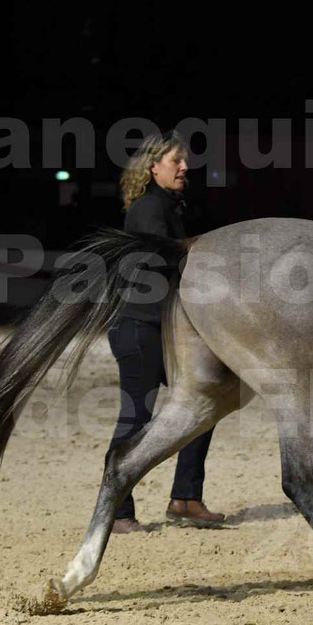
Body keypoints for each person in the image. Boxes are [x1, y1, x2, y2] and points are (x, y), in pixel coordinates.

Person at [107, 130, 225, 534]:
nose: (185, 167)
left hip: (164, 329)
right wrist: (202, 248)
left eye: (185, 161)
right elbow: (161, 258)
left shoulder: (169, 206)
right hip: (138, 329)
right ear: (153, 166)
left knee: (203, 407)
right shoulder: (147, 208)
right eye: (177, 161)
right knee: (135, 420)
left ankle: (186, 498)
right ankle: (118, 512)